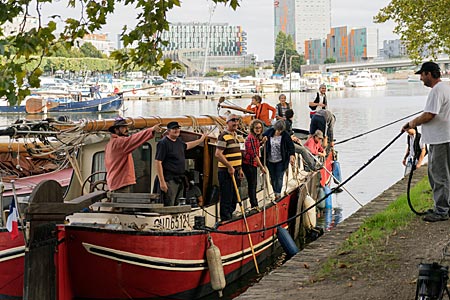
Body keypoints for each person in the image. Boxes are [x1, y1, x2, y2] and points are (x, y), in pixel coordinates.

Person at [402, 61, 450, 222]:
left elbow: (430, 114)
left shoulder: (437, 91)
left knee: (438, 175)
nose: (421, 79)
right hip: (445, 137)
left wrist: (412, 123)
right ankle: (445, 206)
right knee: (445, 174)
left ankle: (442, 210)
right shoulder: (446, 88)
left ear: (429, 74)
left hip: (440, 139)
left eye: (422, 75)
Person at [155, 121, 206, 206]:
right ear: (168, 131)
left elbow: (187, 145)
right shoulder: (163, 143)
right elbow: (158, 162)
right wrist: (162, 182)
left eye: (178, 128)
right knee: (169, 204)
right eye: (174, 129)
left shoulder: (178, 142)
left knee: (178, 204)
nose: (176, 130)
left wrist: (200, 140)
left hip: (179, 180)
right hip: (169, 180)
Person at [105, 117, 162, 193]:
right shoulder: (119, 143)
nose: (126, 129)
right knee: (122, 204)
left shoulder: (110, 143)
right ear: (116, 130)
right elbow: (134, 139)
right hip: (121, 184)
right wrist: (151, 130)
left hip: (115, 182)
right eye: (123, 127)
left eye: (126, 127)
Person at [215, 114, 245, 221]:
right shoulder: (223, 136)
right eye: (233, 121)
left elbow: (238, 154)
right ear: (227, 123)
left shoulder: (236, 136)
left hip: (236, 170)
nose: (235, 123)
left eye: (237, 121)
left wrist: (240, 168)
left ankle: (231, 214)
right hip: (226, 171)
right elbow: (218, 154)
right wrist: (229, 166)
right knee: (226, 196)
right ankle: (225, 218)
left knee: (234, 197)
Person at [262, 120, 295, 199]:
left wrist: (292, 155)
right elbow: (261, 137)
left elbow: (291, 146)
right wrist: (263, 139)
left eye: (280, 130)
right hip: (270, 160)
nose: (279, 132)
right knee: (273, 177)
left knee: (279, 177)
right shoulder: (269, 132)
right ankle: (275, 191)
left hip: (281, 160)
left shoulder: (285, 135)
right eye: (277, 130)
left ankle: (278, 194)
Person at [242, 119, 266, 209]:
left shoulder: (255, 138)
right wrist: (262, 167)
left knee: (254, 184)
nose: (258, 130)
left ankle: (254, 203)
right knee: (252, 184)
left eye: (259, 128)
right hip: (249, 164)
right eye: (256, 128)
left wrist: (261, 142)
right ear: (253, 128)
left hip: (252, 163)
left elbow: (255, 148)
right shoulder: (251, 138)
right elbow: (254, 155)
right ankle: (254, 204)